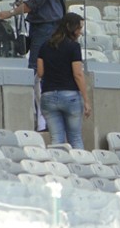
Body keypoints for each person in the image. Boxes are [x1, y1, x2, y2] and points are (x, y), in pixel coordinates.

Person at [0, 0, 66, 130]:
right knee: (38, 71)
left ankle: (43, 118)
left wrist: (10, 13)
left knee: (37, 71)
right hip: (42, 24)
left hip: (47, 25)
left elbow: (36, 2)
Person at [37, 12, 91, 149]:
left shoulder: (44, 46)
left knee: (56, 139)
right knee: (75, 138)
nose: (80, 32)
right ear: (69, 27)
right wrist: (86, 100)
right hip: (70, 95)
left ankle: (58, 168)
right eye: (78, 28)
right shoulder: (74, 47)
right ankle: (81, 168)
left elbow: (40, 72)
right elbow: (78, 74)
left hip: (48, 95)